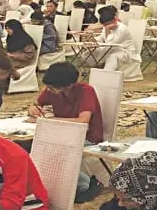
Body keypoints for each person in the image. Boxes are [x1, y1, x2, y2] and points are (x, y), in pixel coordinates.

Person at [29, 62, 104, 199]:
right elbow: (37, 103)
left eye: (53, 88)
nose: (49, 90)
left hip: (86, 138)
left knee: (54, 152)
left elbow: (83, 121)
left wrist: (51, 121)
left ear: (69, 85)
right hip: (62, 135)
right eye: (48, 87)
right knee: (32, 147)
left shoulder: (85, 91)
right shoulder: (52, 89)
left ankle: (86, 185)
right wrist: (33, 108)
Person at [94, 6, 140, 71]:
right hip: (113, 49)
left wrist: (107, 30)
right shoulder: (107, 26)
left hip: (126, 52)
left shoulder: (121, 28)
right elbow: (102, 37)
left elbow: (110, 45)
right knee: (91, 52)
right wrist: (94, 40)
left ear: (113, 20)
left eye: (107, 24)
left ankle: (106, 74)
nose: (105, 26)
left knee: (112, 56)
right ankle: (96, 70)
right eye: (104, 25)